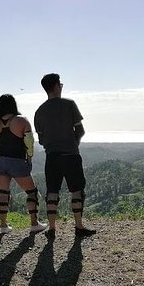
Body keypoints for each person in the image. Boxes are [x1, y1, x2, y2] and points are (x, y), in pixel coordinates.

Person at [34, 74, 96, 239]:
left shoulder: (39, 111)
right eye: (60, 84)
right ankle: (79, 226)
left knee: (52, 192)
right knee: (76, 191)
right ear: (56, 86)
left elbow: (41, 139)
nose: (61, 86)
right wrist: (73, 143)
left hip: (52, 156)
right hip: (71, 154)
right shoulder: (69, 105)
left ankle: (52, 229)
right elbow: (80, 130)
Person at [0, 94, 47, 234]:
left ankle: (3, 226)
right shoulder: (22, 121)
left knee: (3, 192)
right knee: (31, 192)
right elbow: (29, 143)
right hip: (17, 160)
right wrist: (29, 157)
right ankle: (34, 223)